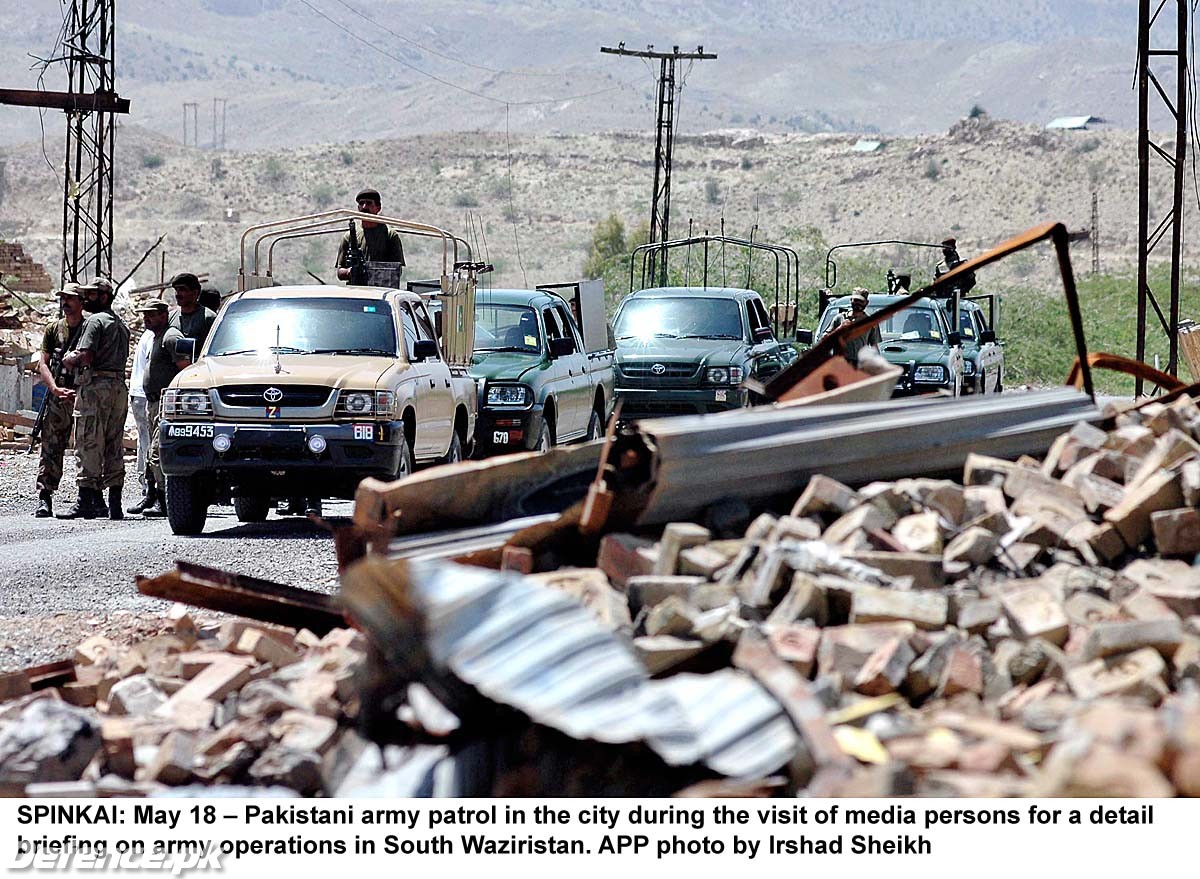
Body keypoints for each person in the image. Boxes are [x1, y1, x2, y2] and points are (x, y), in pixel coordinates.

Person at [57, 278, 131, 520]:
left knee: (88, 440)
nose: (85, 298)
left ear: (103, 296)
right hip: (118, 388)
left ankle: (85, 502)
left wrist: (70, 359)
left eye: (91, 294)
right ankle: (114, 503)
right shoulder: (120, 325)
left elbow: (86, 356)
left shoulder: (95, 322)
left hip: (96, 387)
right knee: (113, 442)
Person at [32, 284, 86, 517]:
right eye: (63, 298)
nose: (65, 302)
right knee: (51, 447)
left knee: (87, 448)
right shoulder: (54, 329)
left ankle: (88, 496)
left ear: (81, 302)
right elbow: (43, 363)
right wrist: (54, 388)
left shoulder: (89, 327)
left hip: (84, 397)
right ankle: (45, 497)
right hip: (58, 397)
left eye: (70, 298)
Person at [134, 300, 185, 518]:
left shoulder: (171, 337)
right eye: (145, 315)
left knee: (157, 453)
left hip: (165, 403)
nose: (147, 319)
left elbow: (186, 369)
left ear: (164, 315)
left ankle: (165, 500)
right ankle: (152, 495)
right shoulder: (156, 337)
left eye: (151, 315)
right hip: (152, 403)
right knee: (149, 452)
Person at [335, 188, 405, 281]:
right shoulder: (349, 236)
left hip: (380, 291)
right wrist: (350, 272)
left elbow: (397, 271)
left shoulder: (389, 235)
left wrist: (370, 272)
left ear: (378, 208)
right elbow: (340, 272)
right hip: (357, 291)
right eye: (361, 203)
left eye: (369, 203)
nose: (364, 207)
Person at [126, 318, 155, 513]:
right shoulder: (154, 337)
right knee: (151, 444)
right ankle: (150, 488)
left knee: (144, 442)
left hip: (138, 394)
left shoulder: (147, 336)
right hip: (145, 395)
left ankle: (146, 486)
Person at [825, 288, 882, 366]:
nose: (858, 303)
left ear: (866, 303)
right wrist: (840, 329)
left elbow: (874, 347)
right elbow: (824, 339)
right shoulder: (839, 319)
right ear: (851, 300)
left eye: (861, 301)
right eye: (855, 300)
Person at [170, 272, 216, 358]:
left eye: (182, 289)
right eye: (176, 290)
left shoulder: (208, 318)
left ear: (194, 293)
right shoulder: (171, 317)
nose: (177, 294)